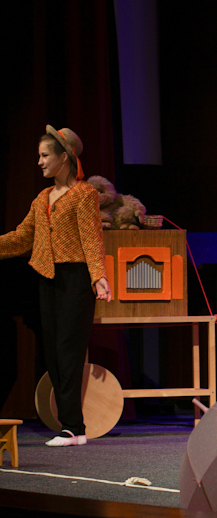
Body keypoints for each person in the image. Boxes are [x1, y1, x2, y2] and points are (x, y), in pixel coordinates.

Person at [0, 125, 111, 447]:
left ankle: (74, 428)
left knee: (67, 350)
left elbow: (91, 237)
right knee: (52, 352)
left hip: (74, 278)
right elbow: (23, 237)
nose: (40, 162)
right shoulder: (42, 198)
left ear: (64, 157)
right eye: (39, 156)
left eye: (45, 155)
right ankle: (70, 426)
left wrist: (98, 276)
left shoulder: (84, 194)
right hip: (46, 278)